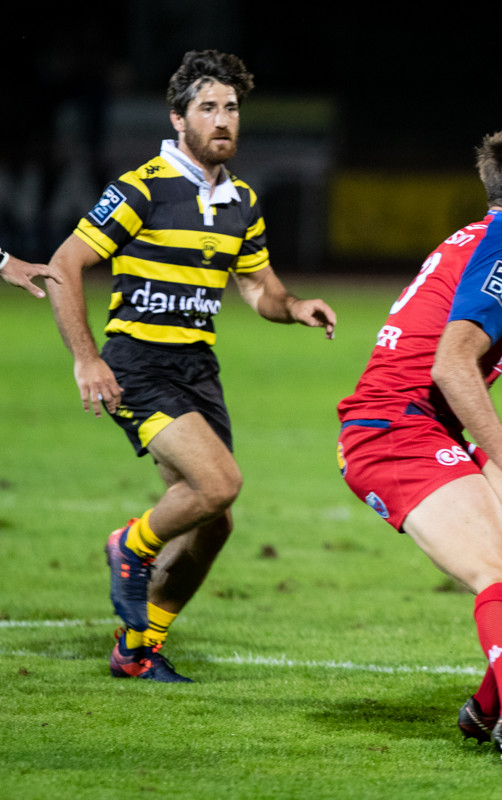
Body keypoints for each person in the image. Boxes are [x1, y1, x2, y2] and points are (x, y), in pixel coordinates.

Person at [45, 50, 337, 683]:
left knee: (215, 521)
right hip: (139, 363)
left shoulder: (242, 202)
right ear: (178, 118)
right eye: (208, 108)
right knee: (217, 485)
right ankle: (131, 545)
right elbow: (64, 265)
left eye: (231, 108)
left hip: (197, 368)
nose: (223, 120)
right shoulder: (141, 188)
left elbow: (260, 290)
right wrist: (86, 358)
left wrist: (295, 306)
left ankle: (139, 646)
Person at [337, 129, 502, 766]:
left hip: (422, 426)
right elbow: (451, 364)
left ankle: (490, 706)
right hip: (393, 432)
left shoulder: (481, 236)